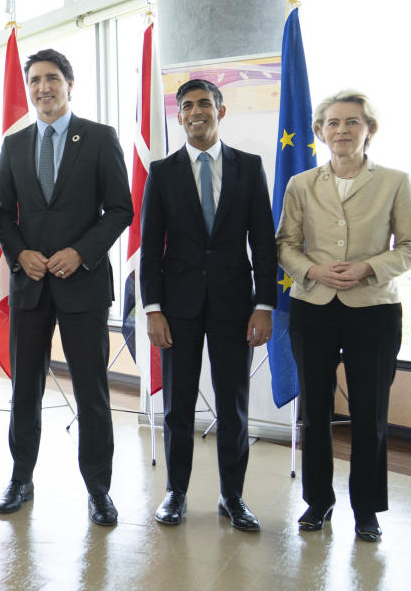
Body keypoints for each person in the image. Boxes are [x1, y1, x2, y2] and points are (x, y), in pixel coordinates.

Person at [0, 49, 132, 526]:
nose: (42, 87)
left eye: (52, 78)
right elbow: (0, 216)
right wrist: (20, 253)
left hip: (84, 284)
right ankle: (20, 478)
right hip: (30, 285)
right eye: (34, 80)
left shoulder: (98, 137)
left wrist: (82, 252)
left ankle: (98, 490)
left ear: (70, 84)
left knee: (91, 390)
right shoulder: (14, 145)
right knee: (24, 390)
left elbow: (120, 209)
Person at [140, 79, 276, 531]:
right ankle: (176, 493)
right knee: (179, 405)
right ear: (178, 116)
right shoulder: (162, 172)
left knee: (233, 405)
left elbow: (263, 241)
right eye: (187, 106)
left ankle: (232, 497)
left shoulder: (249, 167)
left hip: (236, 306)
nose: (196, 111)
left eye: (204, 104)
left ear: (221, 110)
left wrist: (265, 305)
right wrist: (152, 308)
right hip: (176, 308)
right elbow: (150, 246)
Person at [276, 90, 411, 542]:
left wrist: (369, 267)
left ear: (369, 129)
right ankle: (318, 503)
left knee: (370, 413)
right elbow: (284, 245)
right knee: (314, 410)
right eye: (333, 123)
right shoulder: (300, 184)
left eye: (352, 122)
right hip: (312, 306)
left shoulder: (395, 181)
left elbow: (408, 247)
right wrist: (312, 269)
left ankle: (367, 510)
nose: (342, 131)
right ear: (319, 132)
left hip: (373, 309)